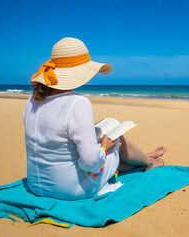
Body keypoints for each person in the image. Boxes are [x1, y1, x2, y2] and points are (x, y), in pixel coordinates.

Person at [24, 37, 165, 200]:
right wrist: (104, 148)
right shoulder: (77, 103)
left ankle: (143, 158)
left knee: (95, 140)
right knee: (116, 139)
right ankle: (148, 161)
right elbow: (90, 164)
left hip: (36, 185)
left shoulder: (32, 100)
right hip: (71, 189)